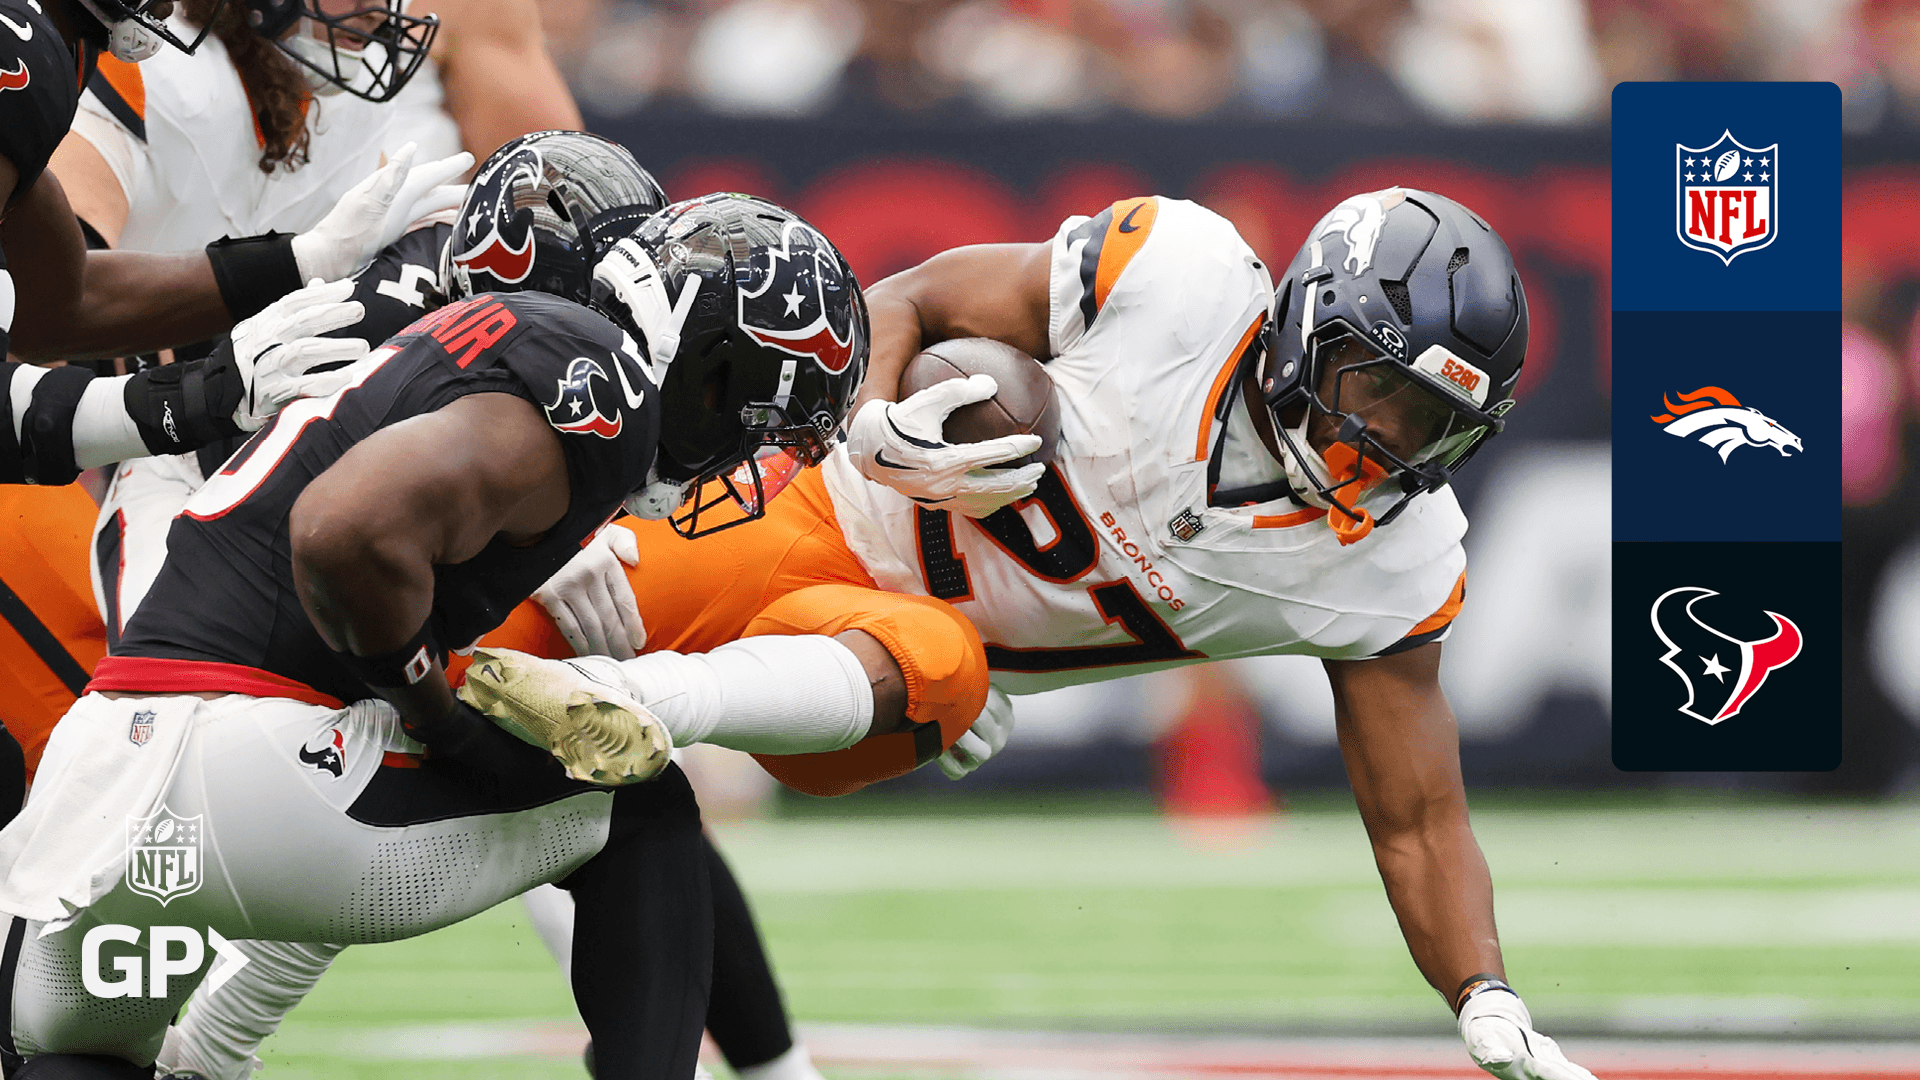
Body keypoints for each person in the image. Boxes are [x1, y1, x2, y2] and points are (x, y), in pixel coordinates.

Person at [461, 187, 1601, 1080]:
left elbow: (1419, 819)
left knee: (952, 673)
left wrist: (1483, 993)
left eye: (1432, 428)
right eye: (1377, 393)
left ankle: (653, 704)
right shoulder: (1181, 279)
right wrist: (871, 423)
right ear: (1312, 325)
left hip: (882, 668)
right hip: (809, 510)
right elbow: (907, 299)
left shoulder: (1394, 557)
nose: (1386, 446)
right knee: (479, 662)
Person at [0, 190, 868, 1080]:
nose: (749, 454)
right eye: (762, 418)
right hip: (246, 764)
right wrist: (437, 717)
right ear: (712, 371)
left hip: (107, 772)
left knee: (88, 1062)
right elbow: (344, 530)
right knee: (641, 809)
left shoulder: (492, 339)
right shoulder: (599, 379)